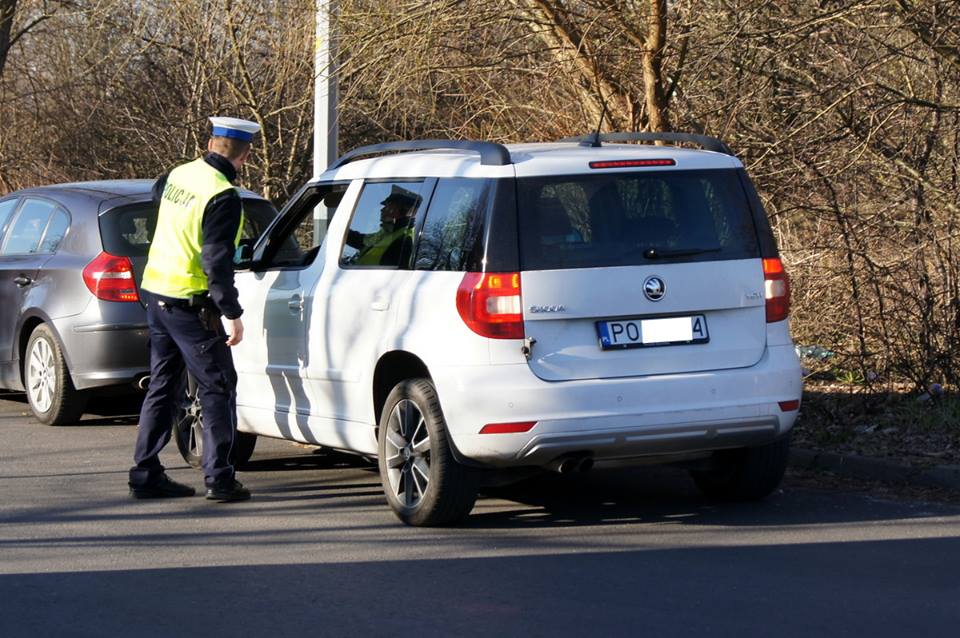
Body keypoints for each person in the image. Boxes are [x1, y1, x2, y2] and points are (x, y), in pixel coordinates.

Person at [128, 116, 259, 502]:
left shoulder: (178, 175)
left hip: (155, 294)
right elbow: (216, 261)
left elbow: (160, 206)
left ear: (210, 142)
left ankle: (145, 472)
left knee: (162, 384)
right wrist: (231, 313)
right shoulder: (223, 195)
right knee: (217, 386)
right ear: (245, 155)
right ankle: (219, 477)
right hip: (190, 304)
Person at [347, 186, 420, 266]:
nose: (382, 209)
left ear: (405, 209)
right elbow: (359, 240)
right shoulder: (386, 233)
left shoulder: (404, 240)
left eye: (388, 206)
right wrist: (339, 230)